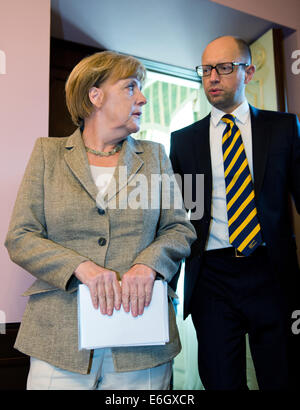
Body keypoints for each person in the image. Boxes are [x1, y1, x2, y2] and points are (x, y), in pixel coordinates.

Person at [5, 51, 196, 390]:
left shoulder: (153, 155)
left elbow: (179, 228)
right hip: (59, 338)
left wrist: (147, 266)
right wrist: (82, 267)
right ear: (95, 95)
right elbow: (21, 236)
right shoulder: (47, 154)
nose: (143, 97)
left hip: (142, 338)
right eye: (131, 87)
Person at [170, 35, 300, 390]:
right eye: (206, 69)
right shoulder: (184, 141)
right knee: (221, 381)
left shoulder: (283, 128)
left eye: (225, 68)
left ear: (249, 72)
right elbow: (184, 217)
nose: (212, 77)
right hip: (212, 278)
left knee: (282, 377)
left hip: (271, 272)